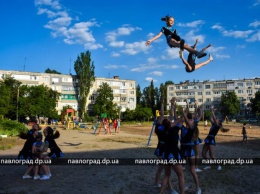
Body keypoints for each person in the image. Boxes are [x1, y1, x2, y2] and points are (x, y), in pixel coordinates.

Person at [160, 98, 185, 194]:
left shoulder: (163, 129)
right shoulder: (174, 129)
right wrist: (180, 110)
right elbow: (180, 119)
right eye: (170, 120)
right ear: (170, 124)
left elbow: (171, 117)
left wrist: (172, 106)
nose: (171, 120)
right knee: (181, 176)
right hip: (174, 153)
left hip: (165, 153)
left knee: (166, 175)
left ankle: (161, 192)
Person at [180, 102, 201, 194]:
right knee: (181, 171)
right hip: (182, 150)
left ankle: (198, 188)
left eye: (192, 120)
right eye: (190, 119)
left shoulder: (192, 128)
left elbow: (186, 119)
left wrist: (184, 113)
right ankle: (183, 186)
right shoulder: (183, 128)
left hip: (189, 149)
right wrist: (185, 109)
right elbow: (182, 119)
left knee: (192, 170)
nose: (191, 120)